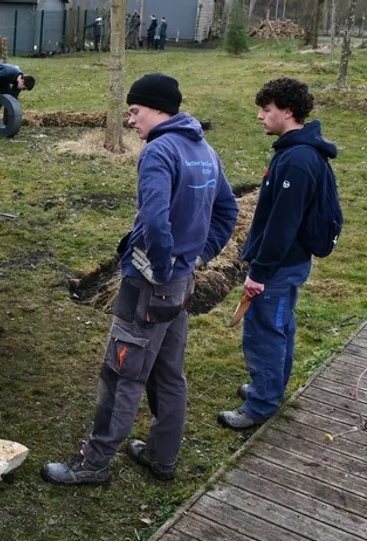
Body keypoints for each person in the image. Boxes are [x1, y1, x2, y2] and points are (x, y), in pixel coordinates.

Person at [41, 73, 239, 485]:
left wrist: (164, 268)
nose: (131, 121)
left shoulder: (159, 152)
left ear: (158, 108)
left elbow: (154, 219)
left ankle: (92, 464)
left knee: (122, 373)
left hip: (151, 287)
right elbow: (227, 212)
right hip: (181, 286)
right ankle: (161, 456)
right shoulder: (203, 149)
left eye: (135, 112)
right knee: (169, 372)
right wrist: (198, 257)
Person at [219, 78, 339, 431]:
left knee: (265, 332)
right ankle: (269, 388)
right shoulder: (296, 151)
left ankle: (260, 405)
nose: (259, 116)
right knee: (281, 325)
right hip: (289, 262)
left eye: (266, 110)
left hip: (279, 265)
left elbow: (282, 225)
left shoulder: (297, 161)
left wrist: (259, 273)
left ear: (288, 112)